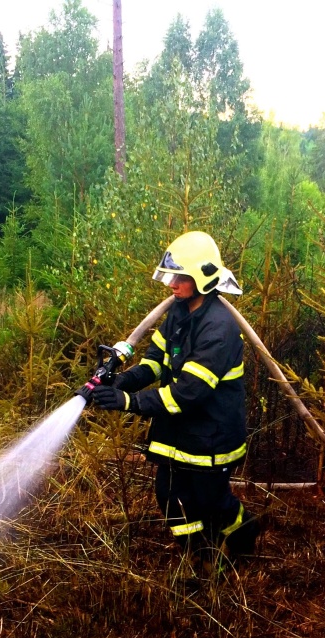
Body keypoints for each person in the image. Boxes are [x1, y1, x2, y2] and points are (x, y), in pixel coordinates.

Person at [91, 231, 261, 562]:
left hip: (212, 438)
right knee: (170, 496)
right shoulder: (178, 315)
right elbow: (154, 363)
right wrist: (121, 381)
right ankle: (198, 557)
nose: (172, 284)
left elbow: (188, 394)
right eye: (172, 275)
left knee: (212, 504)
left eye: (181, 277)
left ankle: (245, 531)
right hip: (181, 434)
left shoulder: (219, 329)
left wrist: (129, 403)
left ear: (203, 278)